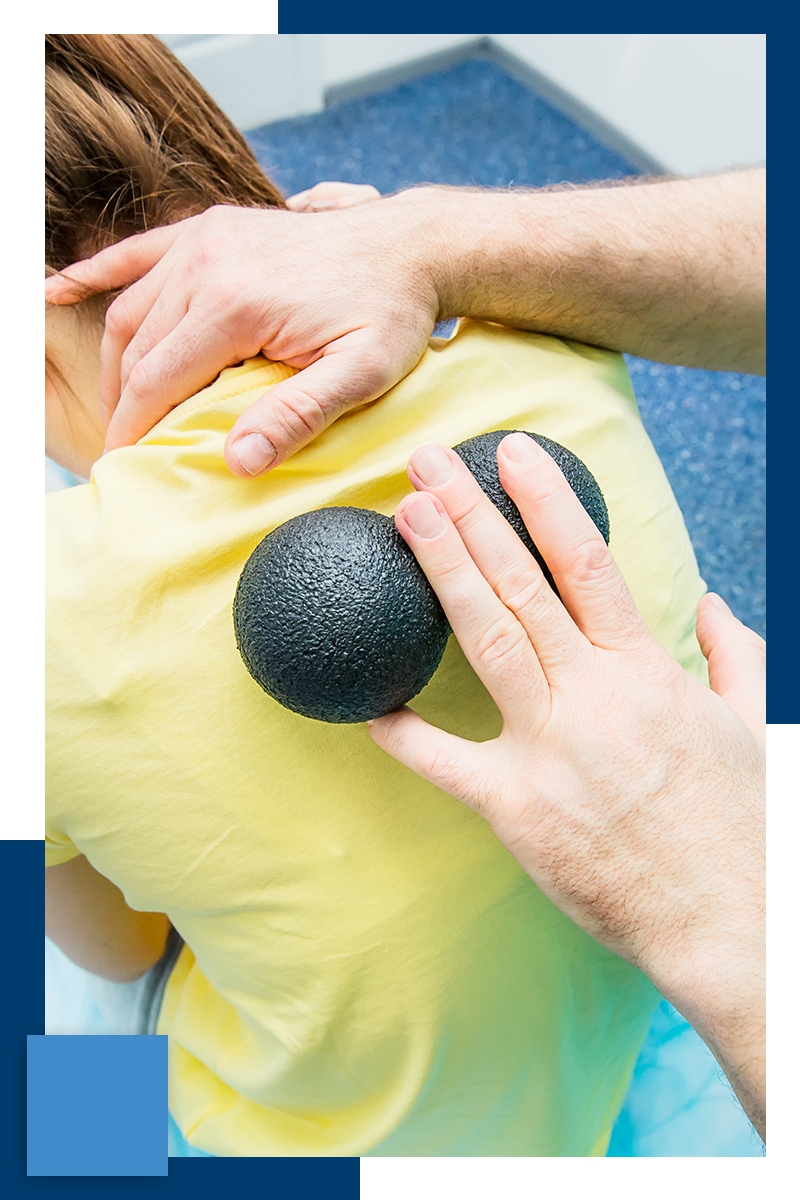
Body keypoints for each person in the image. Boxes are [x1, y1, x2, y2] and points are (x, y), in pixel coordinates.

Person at [45, 35, 759, 1155]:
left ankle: (84, 1160)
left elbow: (123, 948)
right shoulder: (555, 335)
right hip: (632, 1014)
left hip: (336, 1137)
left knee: (68, 1029)